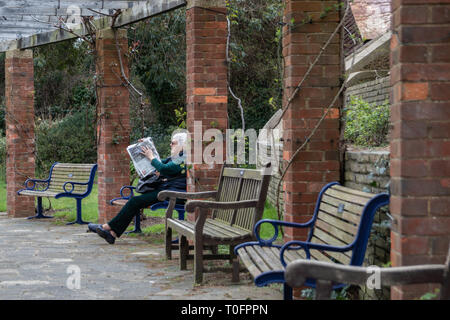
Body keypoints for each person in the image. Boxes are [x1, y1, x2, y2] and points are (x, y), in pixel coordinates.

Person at [90, 132, 187, 244]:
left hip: (172, 193)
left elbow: (163, 168)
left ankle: (107, 227)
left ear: (182, 145)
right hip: (167, 191)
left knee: (135, 201)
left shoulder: (182, 159)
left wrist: (151, 156)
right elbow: (160, 163)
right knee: (135, 202)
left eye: (173, 143)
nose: (170, 145)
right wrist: (149, 145)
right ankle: (112, 233)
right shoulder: (177, 157)